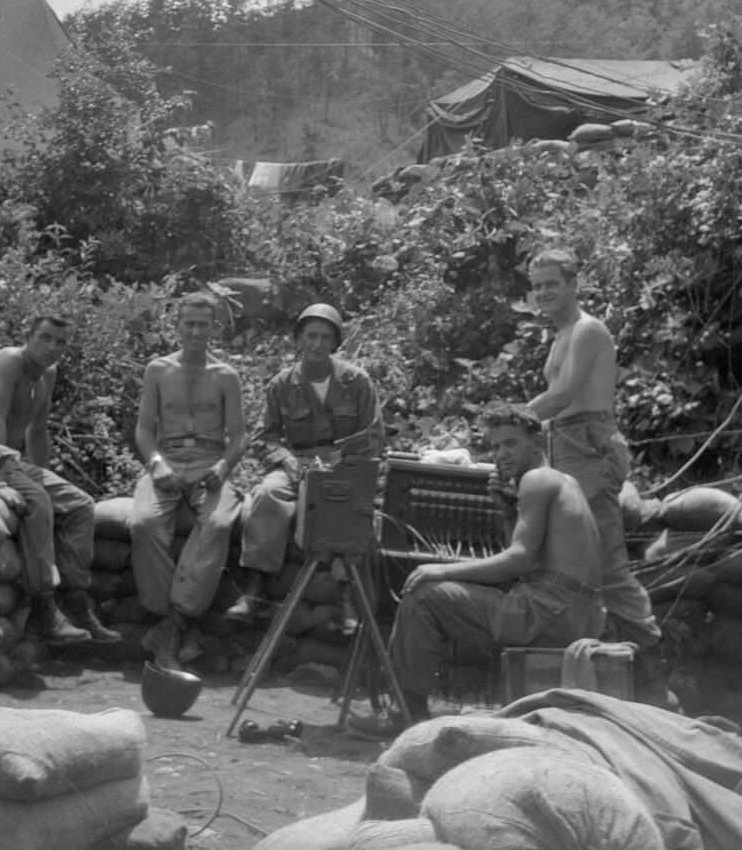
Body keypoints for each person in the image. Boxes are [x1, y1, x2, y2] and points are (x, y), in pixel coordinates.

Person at [348, 402, 605, 738]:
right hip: (575, 613)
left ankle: (404, 712)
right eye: (495, 446)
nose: (501, 454)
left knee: (425, 595)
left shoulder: (536, 480)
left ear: (537, 443)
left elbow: (519, 559)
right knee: (450, 595)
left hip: (548, 611)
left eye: (511, 443)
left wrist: (442, 571)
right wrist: (506, 512)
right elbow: (529, 563)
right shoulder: (562, 481)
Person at [523, 248, 663, 662]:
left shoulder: (588, 330)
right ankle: (604, 658)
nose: (543, 293)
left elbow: (564, 394)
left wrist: (513, 418)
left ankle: (653, 661)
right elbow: (558, 406)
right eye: (537, 287)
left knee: (606, 562)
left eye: (551, 284)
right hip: (566, 445)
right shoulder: (561, 335)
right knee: (571, 557)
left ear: (573, 285)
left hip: (590, 445)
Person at [0, 314, 120, 645]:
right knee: (37, 502)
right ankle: (43, 607)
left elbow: (37, 432)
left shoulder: (47, 374)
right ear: (28, 337)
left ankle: (76, 601)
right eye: (45, 338)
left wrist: (41, 472)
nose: (52, 347)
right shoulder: (9, 360)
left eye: (60, 342)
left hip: (9, 458)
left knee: (80, 504)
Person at [227, 303, 383, 623]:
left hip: (345, 466)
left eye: (325, 337)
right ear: (298, 339)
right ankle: (255, 588)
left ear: (335, 343)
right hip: (297, 464)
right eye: (310, 336)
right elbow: (264, 438)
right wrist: (285, 460)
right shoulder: (282, 385)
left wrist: (341, 461)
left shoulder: (357, 382)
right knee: (267, 495)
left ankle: (346, 595)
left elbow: (374, 435)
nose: (317, 344)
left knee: (345, 509)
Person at [128, 291, 246, 669]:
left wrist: (222, 469)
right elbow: (144, 431)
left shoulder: (226, 376)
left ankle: (174, 624)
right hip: (169, 457)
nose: (196, 331)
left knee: (217, 523)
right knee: (144, 523)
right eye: (189, 323)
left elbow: (239, 437)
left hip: (209, 459)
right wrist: (156, 464)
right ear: (177, 326)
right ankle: (176, 623)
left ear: (215, 329)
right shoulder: (158, 370)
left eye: (203, 324)